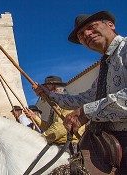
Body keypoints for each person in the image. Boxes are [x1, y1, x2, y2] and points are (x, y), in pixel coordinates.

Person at [34, 11, 127, 173]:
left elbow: (85, 107)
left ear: (110, 25)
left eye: (91, 27)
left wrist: (85, 112)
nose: (87, 35)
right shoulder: (103, 70)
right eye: (81, 35)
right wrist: (48, 95)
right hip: (112, 148)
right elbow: (83, 99)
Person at [27, 76, 84, 146]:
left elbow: (60, 128)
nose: (42, 93)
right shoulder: (55, 106)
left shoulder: (67, 103)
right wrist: (34, 117)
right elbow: (49, 126)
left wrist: (40, 139)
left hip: (70, 145)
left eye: (45, 89)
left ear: (53, 88)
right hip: (58, 144)